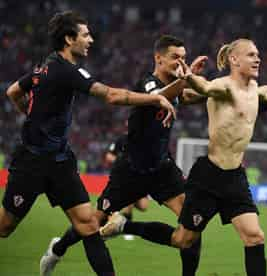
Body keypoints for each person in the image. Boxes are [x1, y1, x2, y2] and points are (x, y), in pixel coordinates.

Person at [101, 38, 267, 276]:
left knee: (255, 236)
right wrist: (188, 77)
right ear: (234, 60)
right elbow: (205, 88)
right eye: (250, 54)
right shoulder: (223, 86)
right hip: (209, 176)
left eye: (258, 54)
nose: (257, 58)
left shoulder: (253, 90)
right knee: (182, 240)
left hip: (235, 177)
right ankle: (126, 225)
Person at [0, 11, 176, 276]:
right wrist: (154, 99)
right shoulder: (65, 70)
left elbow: (14, 91)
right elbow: (112, 96)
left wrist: (33, 115)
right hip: (31, 162)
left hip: (60, 162)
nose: (91, 40)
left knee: (89, 226)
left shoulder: (46, 66)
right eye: (85, 35)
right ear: (69, 39)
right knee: (5, 227)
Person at [41, 34, 206, 276]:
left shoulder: (178, 88)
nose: (180, 62)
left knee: (193, 225)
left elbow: (191, 95)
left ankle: (126, 227)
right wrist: (187, 78)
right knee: (92, 222)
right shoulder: (147, 83)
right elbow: (160, 95)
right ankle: (58, 248)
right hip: (130, 169)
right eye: (175, 57)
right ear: (158, 58)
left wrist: (225, 90)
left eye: (183, 58)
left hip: (162, 168)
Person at [105, 133, 150, 241]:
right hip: (123, 177)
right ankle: (126, 228)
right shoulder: (121, 139)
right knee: (129, 200)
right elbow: (109, 156)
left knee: (144, 206)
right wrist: (122, 162)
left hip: (139, 179)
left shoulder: (145, 141)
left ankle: (116, 210)